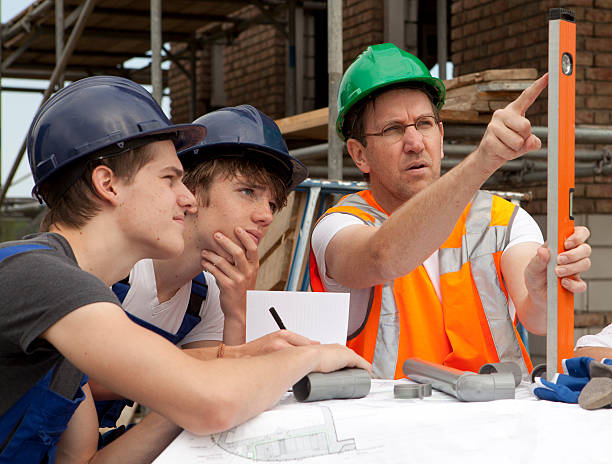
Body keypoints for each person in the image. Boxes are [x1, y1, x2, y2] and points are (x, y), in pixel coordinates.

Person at [0, 76, 370, 463]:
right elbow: (213, 404)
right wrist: (306, 359)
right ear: (108, 184)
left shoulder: (67, 303)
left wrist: (226, 366)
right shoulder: (38, 276)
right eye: (169, 178)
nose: (185, 197)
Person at [309, 43, 591, 379]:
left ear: (441, 137)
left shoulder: (502, 220)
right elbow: (382, 257)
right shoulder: (338, 226)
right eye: (393, 129)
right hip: (391, 426)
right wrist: (482, 161)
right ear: (359, 155)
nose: (415, 143)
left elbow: (539, 320)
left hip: (497, 420)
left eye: (424, 124)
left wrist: (545, 294)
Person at [92, 105, 311, 431]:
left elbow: (219, 396)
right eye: (248, 191)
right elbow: (82, 377)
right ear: (190, 191)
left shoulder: (206, 295)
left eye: (272, 204)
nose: (266, 215)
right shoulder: (117, 266)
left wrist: (238, 312)